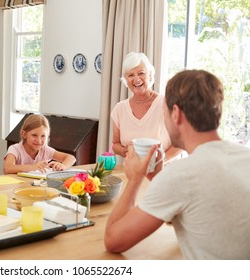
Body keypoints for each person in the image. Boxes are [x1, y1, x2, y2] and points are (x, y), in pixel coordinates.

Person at [104, 69, 250, 259]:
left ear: (176, 115)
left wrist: (134, 180)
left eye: (164, 111)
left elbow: (113, 240)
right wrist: (158, 177)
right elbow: (192, 213)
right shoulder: (244, 156)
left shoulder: (182, 174)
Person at [110, 52, 181, 162]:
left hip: (162, 174)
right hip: (132, 173)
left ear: (150, 75)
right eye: (131, 75)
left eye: (141, 73)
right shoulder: (120, 109)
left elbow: (181, 142)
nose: (136, 79)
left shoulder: (166, 104)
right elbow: (115, 144)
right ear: (126, 79)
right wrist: (124, 151)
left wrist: (161, 161)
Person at [4, 114, 76, 174]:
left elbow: (71, 158)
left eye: (43, 136)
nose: (39, 140)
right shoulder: (15, 149)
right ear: (24, 134)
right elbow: (7, 168)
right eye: (34, 135)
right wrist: (33, 167)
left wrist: (62, 165)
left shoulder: (45, 150)